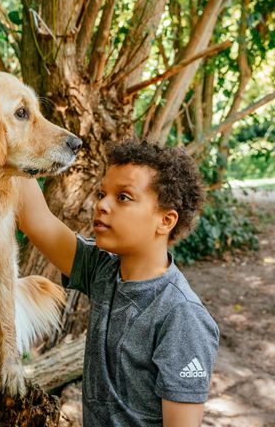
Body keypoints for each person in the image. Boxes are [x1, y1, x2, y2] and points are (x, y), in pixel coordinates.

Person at [17, 139, 219, 427]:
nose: (102, 205)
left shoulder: (182, 316)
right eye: (102, 194)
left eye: (123, 197)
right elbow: (34, 218)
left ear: (166, 220)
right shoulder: (102, 270)